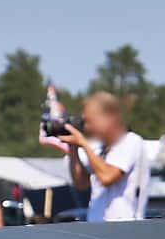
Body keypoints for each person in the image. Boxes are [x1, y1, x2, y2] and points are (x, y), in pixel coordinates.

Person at [60, 92, 148, 222]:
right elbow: (81, 183)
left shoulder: (131, 141)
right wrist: (73, 148)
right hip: (98, 227)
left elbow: (107, 177)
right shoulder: (100, 149)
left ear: (110, 117)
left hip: (125, 229)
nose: (86, 126)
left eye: (90, 121)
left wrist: (84, 143)